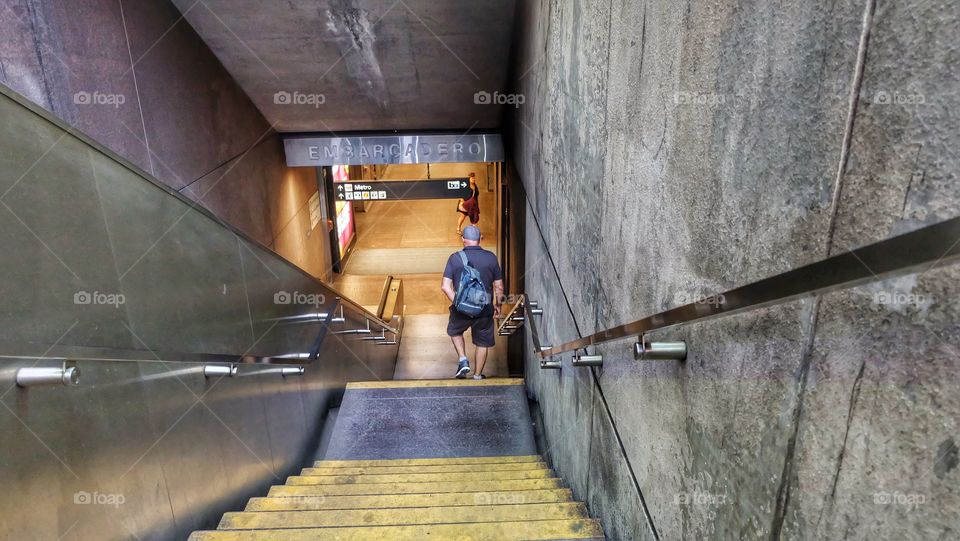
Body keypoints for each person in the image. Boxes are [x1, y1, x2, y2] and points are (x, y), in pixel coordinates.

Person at [440, 225, 503, 379]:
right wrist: (498, 305)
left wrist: (459, 302)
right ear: (480, 239)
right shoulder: (491, 257)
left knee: (455, 331)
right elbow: (499, 286)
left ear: (463, 240)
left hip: (460, 309)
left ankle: (463, 359)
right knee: (482, 342)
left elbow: (445, 287)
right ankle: (477, 376)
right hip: (485, 308)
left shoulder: (455, 258)